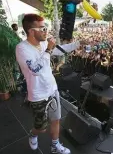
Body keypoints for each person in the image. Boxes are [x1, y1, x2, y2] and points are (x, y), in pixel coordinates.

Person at [15, 14, 86, 154]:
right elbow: (35, 69)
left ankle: (55, 146)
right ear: (31, 31)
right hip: (38, 94)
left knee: (56, 120)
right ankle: (33, 133)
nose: (46, 30)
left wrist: (79, 43)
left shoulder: (43, 43)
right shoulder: (22, 48)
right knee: (41, 127)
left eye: (46, 27)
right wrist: (48, 50)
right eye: (42, 28)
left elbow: (60, 50)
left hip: (52, 90)